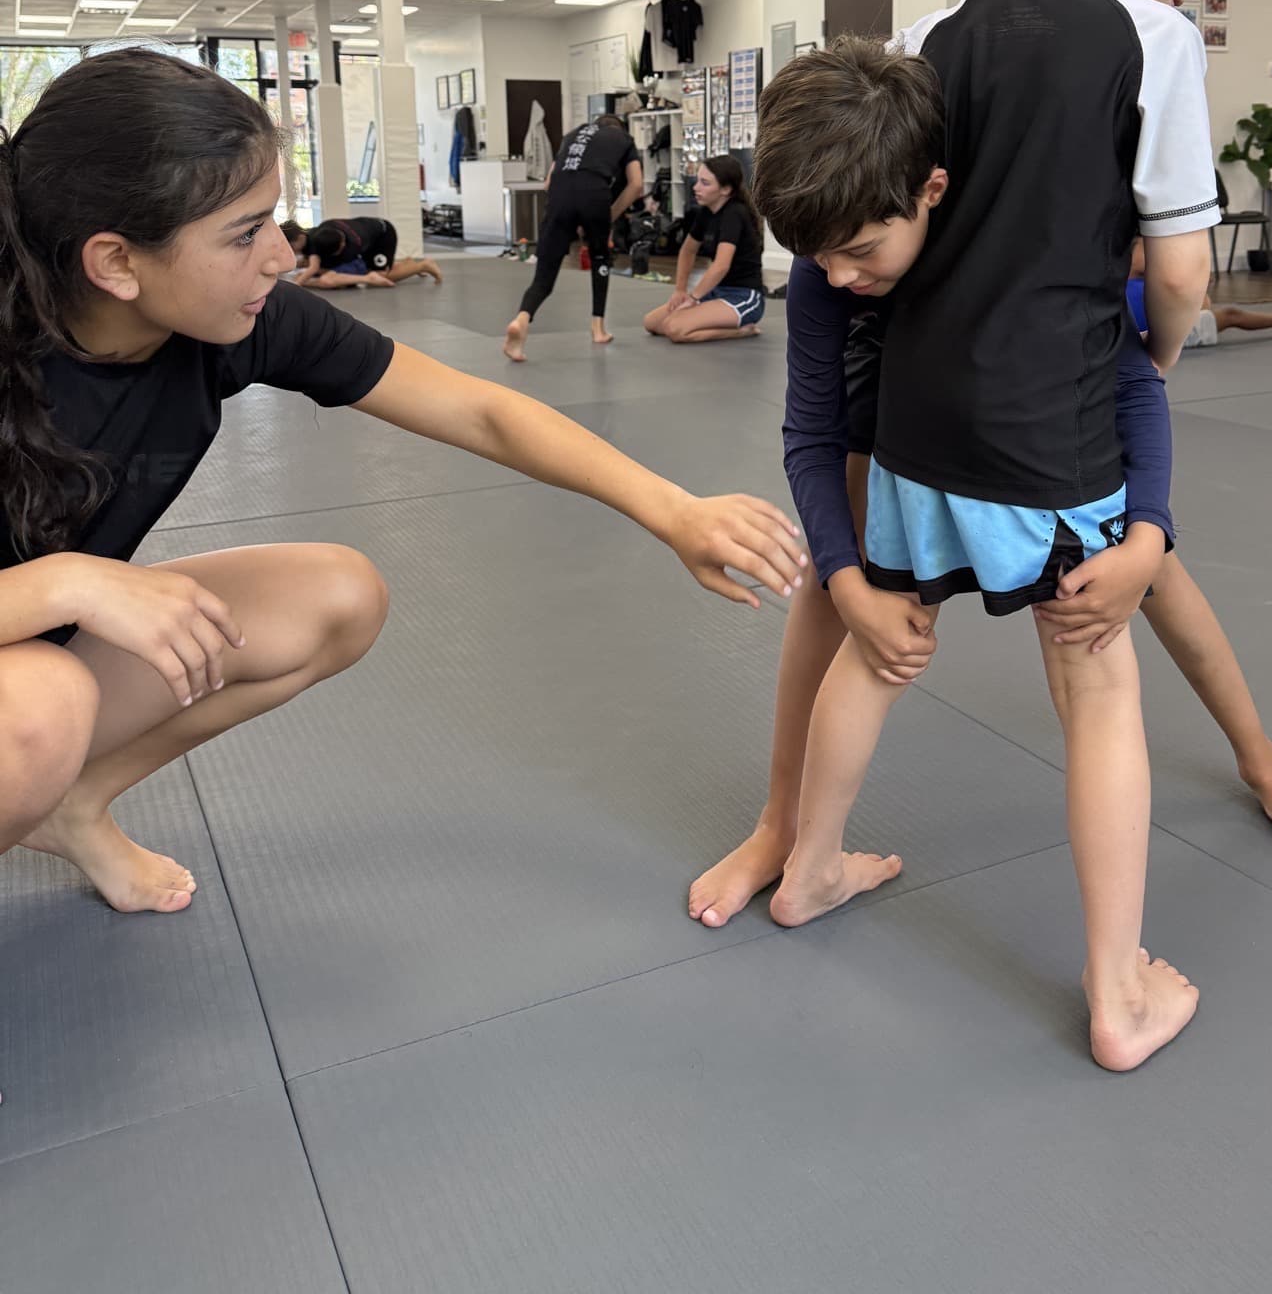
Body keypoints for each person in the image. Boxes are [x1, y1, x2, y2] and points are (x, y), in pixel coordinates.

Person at [0, 51, 805, 940]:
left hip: (32, 648)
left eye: (277, 219)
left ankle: (70, 806)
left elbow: (479, 412)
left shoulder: (237, 322)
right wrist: (68, 583)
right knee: (41, 705)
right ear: (116, 261)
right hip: (24, 672)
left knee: (335, 597)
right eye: (244, 233)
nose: (281, 255)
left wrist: (673, 509)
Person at [756, 0, 1271, 1072]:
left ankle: (808, 867)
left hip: (923, 425)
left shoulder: (940, 28)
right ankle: (1118, 990)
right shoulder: (1149, 42)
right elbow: (1181, 269)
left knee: (882, 652)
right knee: (1095, 688)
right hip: (1052, 434)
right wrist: (1144, 360)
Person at [503, 113, 643, 361]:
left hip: (559, 198)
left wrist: (570, 216)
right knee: (600, 257)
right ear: (618, 128)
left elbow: (548, 184)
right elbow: (636, 185)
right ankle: (598, 328)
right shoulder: (623, 139)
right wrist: (607, 215)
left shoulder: (573, 136)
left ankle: (521, 319)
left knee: (544, 277)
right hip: (594, 195)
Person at [642, 154, 766, 344]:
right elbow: (687, 251)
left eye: (705, 183)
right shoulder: (706, 212)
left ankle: (742, 331)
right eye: (698, 180)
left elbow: (721, 266)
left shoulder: (734, 213)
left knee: (674, 329)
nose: (696, 187)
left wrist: (693, 298)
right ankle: (710, 319)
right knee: (652, 323)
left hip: (743, 296)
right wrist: (680, 290)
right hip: (716, 292)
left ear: (725, 189)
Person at [1127, 242, 1272, 344]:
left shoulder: (1149, 277)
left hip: (1162, 325)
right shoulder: (1134, 271)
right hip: (1150, 334)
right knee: (1230, 314)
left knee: (1226, 312)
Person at [282, 216, 442, 289]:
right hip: (366, 233)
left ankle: (422, 265)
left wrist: (298, 283)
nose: (292, 251)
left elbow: (317, 267)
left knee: (381, 275)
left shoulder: (353, 246)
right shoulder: (320, 232)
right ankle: (406, 263)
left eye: (291, 246)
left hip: (383, 235)